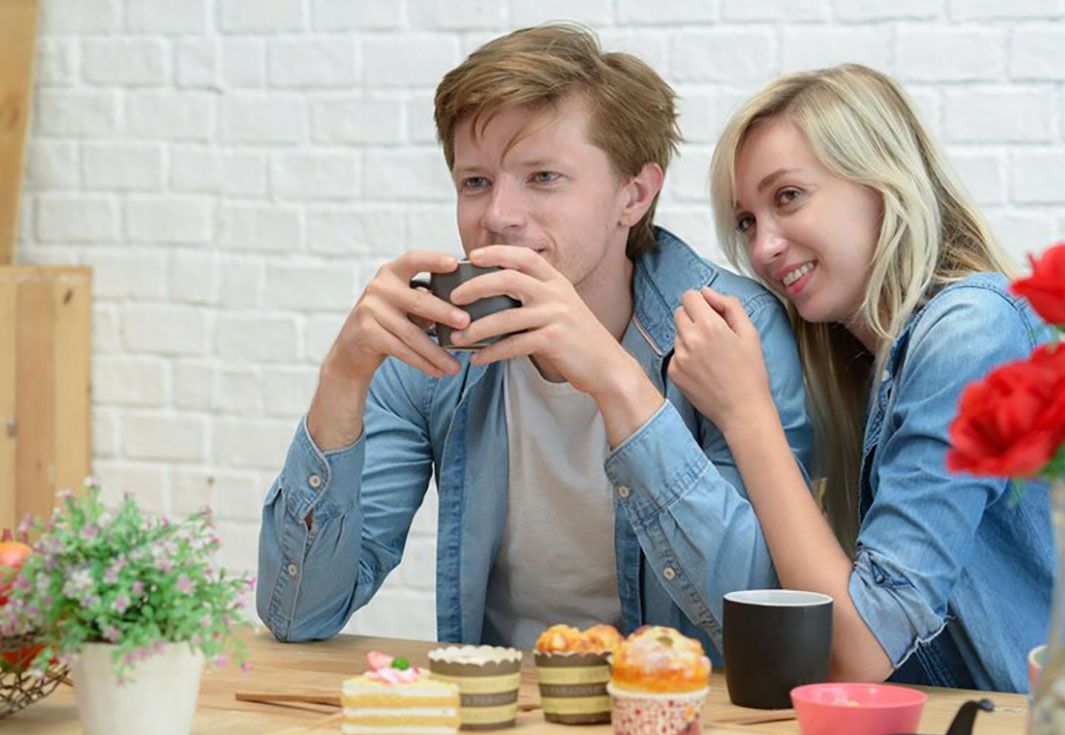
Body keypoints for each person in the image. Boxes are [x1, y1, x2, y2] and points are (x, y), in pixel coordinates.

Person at [255, 24, 813, 659]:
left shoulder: (730, 327)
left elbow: (758, 624)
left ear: (634, 195)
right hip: (503, 708)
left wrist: (618, 384)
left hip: (670, 709)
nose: (498, 215)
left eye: (543, 177)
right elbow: (299, 614)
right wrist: (342, 378)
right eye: (475, 182)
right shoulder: (428, 347)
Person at [668, 64, 1065, 691]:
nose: (763, 249)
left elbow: (861, 652)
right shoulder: (865, 371)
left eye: (787, 196)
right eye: (747, 222)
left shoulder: (971, 331)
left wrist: (744, 412)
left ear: (882, 183)